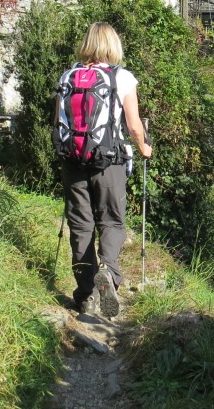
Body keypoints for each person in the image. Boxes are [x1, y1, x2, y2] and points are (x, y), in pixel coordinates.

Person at [61, 22, 152, 318]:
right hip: (108, 160)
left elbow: (59, 123)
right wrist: (144, 149)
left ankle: (85, 295)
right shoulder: (122, 77)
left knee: (80, 226)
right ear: (114, 46)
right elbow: (133, 125)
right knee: (112, 222)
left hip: (73, 161)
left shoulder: (68, 76)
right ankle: (109, 274)